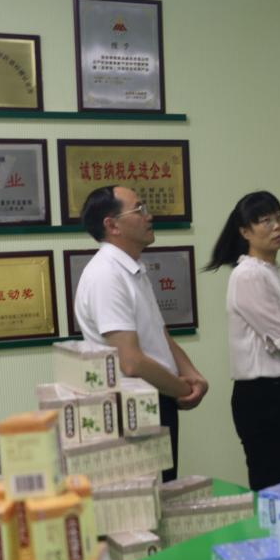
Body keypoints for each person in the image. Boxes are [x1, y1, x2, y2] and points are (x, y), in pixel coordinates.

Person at [75, 186, 208, 482]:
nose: (149, 216)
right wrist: (182, 388)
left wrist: (194, 376)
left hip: (160, 398)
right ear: (112, 225)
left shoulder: (132, 269)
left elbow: (160, 335)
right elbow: (131, 361)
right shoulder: (106, 275)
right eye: (140, 210)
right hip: (134, 408)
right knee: (148, 499)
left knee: (164, 490)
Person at [204, 192, 280, 491]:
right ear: (245, 232)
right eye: (266, 221)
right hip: (264, 395)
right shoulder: (249, 275)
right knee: (274, 486)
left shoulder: (272, 271)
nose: (277, 226)